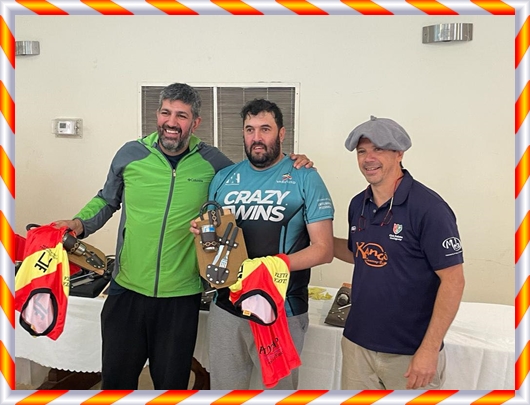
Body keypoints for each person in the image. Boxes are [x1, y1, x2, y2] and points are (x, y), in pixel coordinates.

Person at [54, 83, 311, 390]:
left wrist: (291, 164)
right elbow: (107, 199)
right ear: (157, 115)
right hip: (126, 291)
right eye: (166, 112)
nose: (171, 122)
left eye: (181, 115)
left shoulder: (214, 163)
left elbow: (252, 178)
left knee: (171, 386)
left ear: (195, 122)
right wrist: (79, 223)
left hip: (181, 298)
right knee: (116, 385)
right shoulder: (130, 154)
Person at [192, 98, 334, 390]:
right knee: (224, 393)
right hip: (226, 308)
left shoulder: (305, 176)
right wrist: (202, 231)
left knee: (280, 395)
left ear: (281, 133)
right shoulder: (223, 179)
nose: (256, 137)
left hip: (282, 310)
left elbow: (324, 249)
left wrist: (271, 267)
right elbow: (216, 239)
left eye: (265, 129)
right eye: (250, 130)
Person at [334, 115, 465, 390]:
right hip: (357, 345)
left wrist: (429, 349)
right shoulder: (358, 204)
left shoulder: (429, 208)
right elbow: (360, 253)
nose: (368, 158)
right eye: (362, 151)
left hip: (410, 353)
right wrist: (315, 240)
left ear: (399, 153)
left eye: (378, 149)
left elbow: (454, 280)